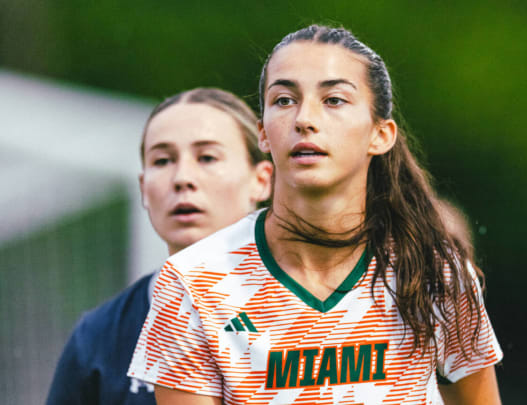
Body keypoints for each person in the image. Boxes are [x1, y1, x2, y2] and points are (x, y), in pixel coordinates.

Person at [128, 25, 503, 405]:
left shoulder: (431, 268)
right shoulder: (192, 282)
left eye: (334, 99)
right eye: (284, 100)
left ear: (381, 134)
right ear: (262, 133)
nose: (304, 118)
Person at [46, 87, 273, 405]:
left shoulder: (327, 314)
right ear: (143, 187)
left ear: (261, 180)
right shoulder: (99, 337)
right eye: (162, 160)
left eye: (207, 157)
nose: (182, 178)